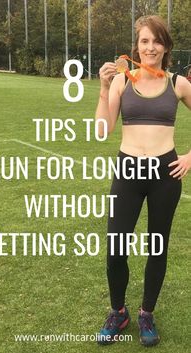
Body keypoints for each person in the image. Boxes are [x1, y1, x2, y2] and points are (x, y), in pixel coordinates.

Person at [95, 15, 191, 346]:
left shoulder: (178, 83)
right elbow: (103, 128)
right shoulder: (122, 81)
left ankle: (146, 314)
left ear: (166, 46)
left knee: (157, 247)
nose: (150, 47)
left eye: (156, 41)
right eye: (144, 41)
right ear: (137, 46)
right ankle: (118, 312)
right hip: (128, 173)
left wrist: (190, 157)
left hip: (165, 175)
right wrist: (104, 88)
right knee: (115, 248)